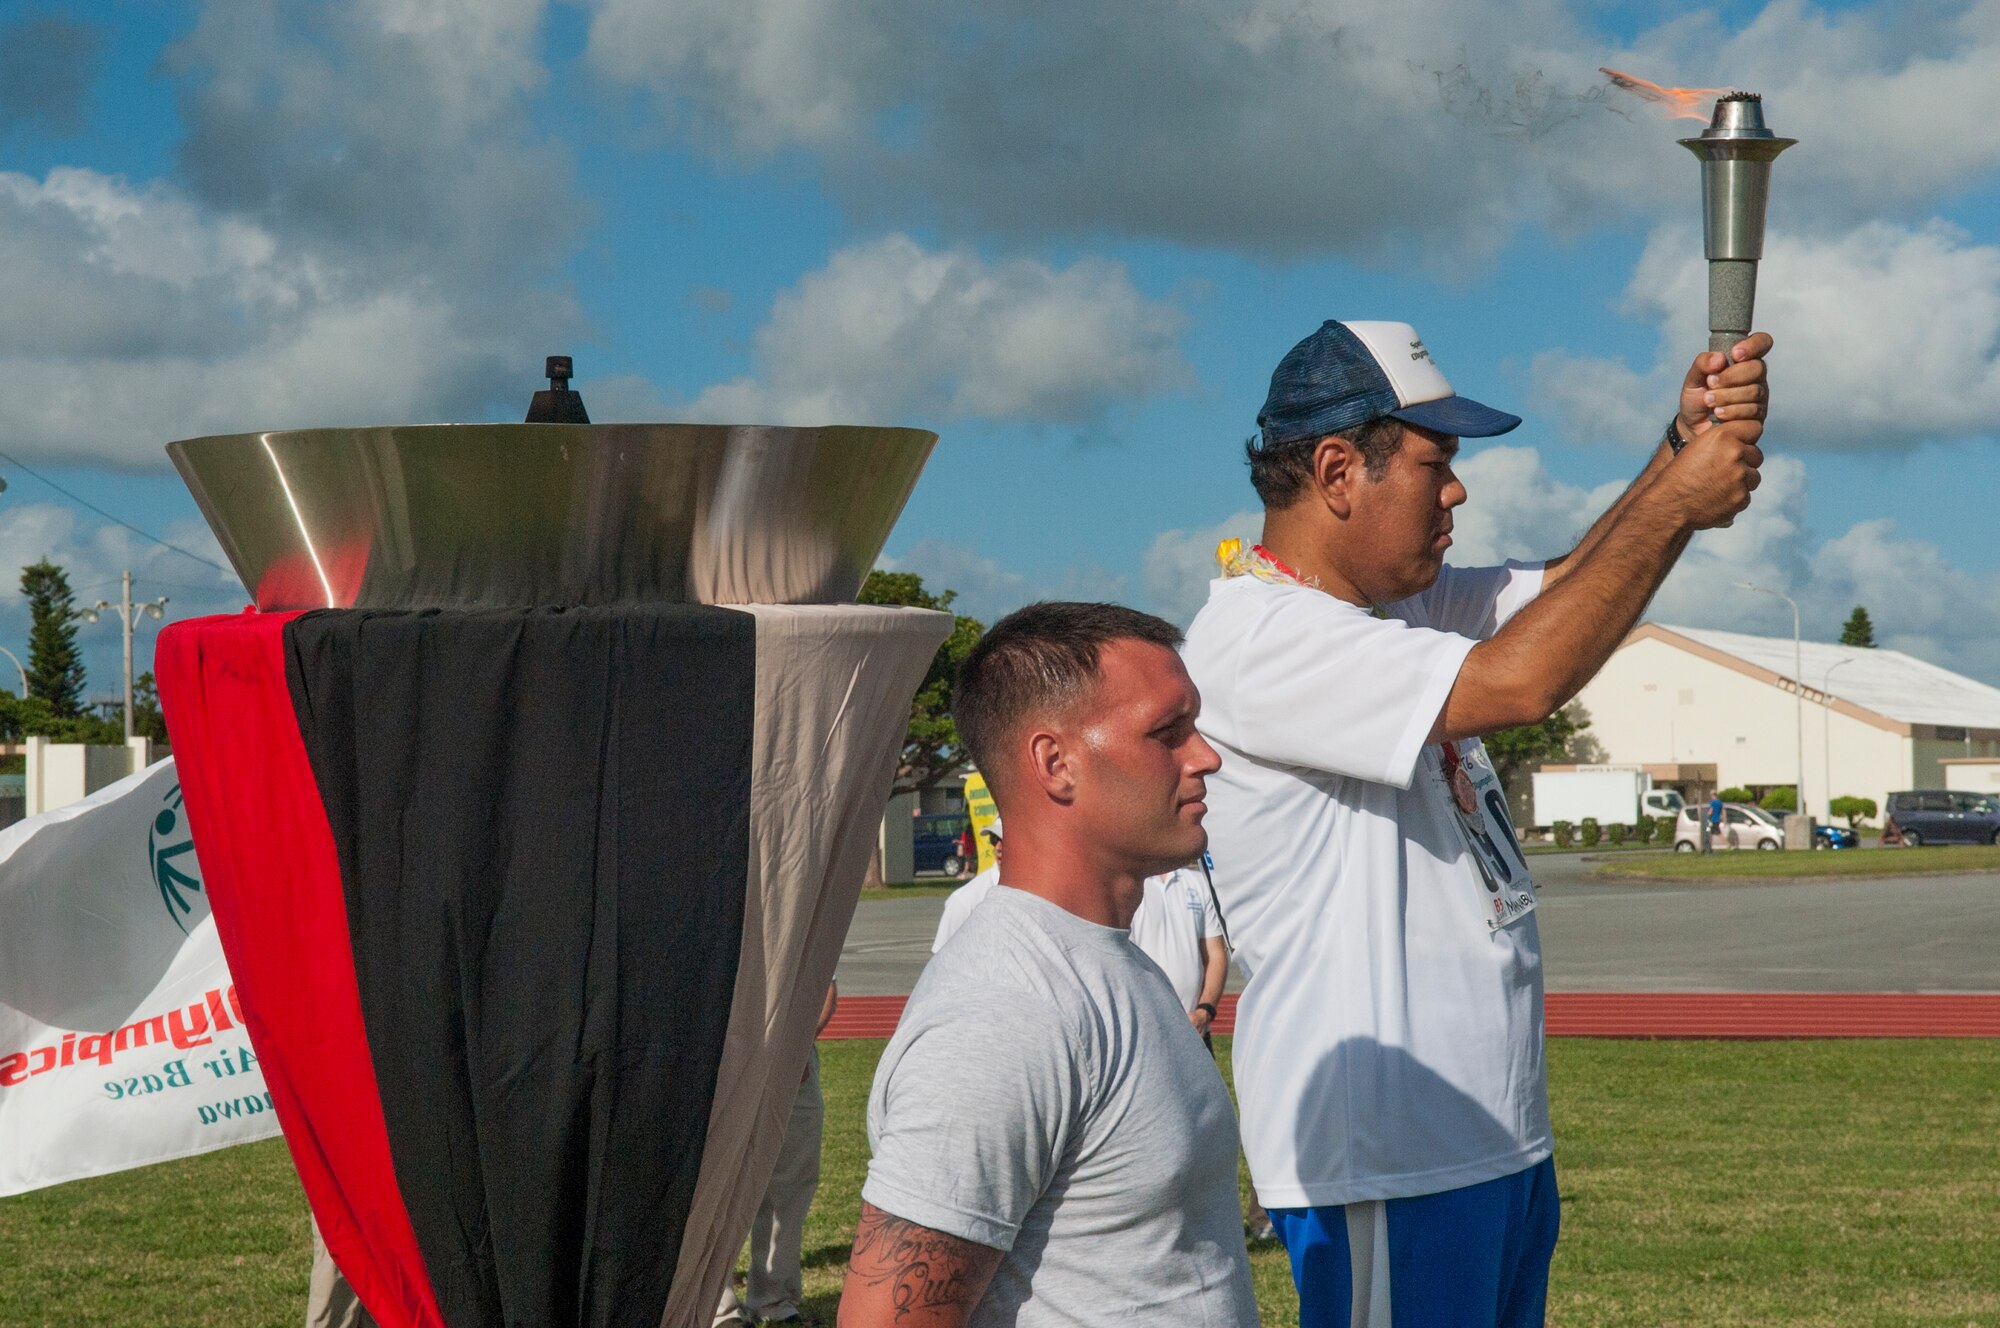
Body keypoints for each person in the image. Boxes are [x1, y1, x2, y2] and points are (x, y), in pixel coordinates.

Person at [1181, 318, 1769, 1328]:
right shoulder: (1259, 636)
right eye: (1432, 461)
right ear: (1335, 470)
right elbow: (1524, 674)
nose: (1454, 490)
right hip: (1383, 1157)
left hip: (1486, 1140)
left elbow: (1575, 584)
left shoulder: (1389, 606)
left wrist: (1676, 453)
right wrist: (1676, 498)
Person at [841, 602, 1257, 1328]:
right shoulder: (1004, 1011)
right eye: (1168, 732)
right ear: (1055, 764)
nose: (1205, 756)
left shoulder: (1115, 961)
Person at [717, 981, 840, 1326]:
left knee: (791, 1181)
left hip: (792, 1056)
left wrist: (796, 1045)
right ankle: (718, 1307)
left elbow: (825, 986)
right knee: (717, 1182)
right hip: (723, 1050)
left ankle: (775, 1299)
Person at [1129, 858, 1229, 1041]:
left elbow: (1216, 955)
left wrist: (1204, 1011)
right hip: (1146, 1031)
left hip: (1194, 1029)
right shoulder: (1129, 883)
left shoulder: (1199, 883)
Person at [929, 820, 1002, 952]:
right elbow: (943, 964)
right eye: (994, 839)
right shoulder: (964, 901)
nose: (998, 847)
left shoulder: (1043, 896)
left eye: (1006, 839)